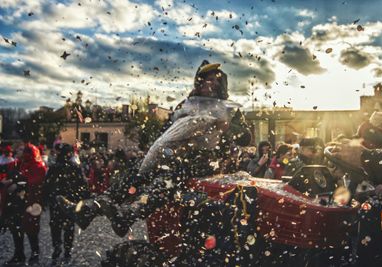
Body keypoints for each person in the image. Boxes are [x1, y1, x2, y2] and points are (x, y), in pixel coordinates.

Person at [57, 60, 251, 238]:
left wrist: (226, 128)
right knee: (137, 168)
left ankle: (129, 213)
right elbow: (164, 132)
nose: (213, 84)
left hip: (210, 161)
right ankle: (90, 208)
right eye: (208, 80)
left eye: (217, 80)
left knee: (170, 175)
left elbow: (245, 137)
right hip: (177, 155)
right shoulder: (187, 105)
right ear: (199, 83)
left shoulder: (229, 109)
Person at [1, 143, 47, 265]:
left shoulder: (38, 166)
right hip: (16, 203)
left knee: (31, 230)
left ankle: (34, 253)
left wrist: (16, 184)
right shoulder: (17, 164)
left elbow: (33, 182)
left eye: (22, 150)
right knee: (16, 230)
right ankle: (19, 254)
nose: (18, 151)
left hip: (30, 204)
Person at [43, 143, 90, 262]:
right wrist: (82, 200)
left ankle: (57, 246)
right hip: (70, 201)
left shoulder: (54, 167)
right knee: (69, 226)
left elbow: (47, 185)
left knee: (56, 226)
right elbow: (83, 185)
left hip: (57, 201)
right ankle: (67, 249)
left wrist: (46, 199)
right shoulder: (74, 167)